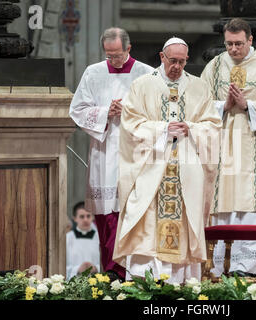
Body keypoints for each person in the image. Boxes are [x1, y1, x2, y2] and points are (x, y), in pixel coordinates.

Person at [113, 37, 222, 283]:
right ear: (162, 57)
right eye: (173, 61)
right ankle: (146, 283)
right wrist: (163, 130)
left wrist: (191, 128)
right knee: (146, 222)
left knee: (184, 222)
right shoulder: (142, 85)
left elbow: (214, 126)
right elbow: (130, 126)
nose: (177, 66)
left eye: (182, 62)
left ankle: (181, 283)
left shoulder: (199, 87)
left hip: (186, 169)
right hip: (151, 169)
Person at [201, 18, 256, 277]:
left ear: (250, 41)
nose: (233, 49)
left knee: (253, 203)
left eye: (239, 43)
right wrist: (224, 106)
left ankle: (251, 269)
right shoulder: (215, 66)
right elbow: (199, 105)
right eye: (228, 44)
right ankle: (219, 268)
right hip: (223, 146)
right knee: (223, 202)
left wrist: (248, 105)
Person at [69, 27, 154, 280]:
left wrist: (126, 110)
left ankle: (138, 274)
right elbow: (78, 109)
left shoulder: (147, 74)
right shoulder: (93, 73)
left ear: (129, 49)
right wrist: (106, 112)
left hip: (137, 154)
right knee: (107, 217)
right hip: (104, 153)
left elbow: (157, 113)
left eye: (117, 55)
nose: (113, 60)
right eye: (108, 55)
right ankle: (112, 273)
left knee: (134, 214)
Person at [66, 202, 100, 280]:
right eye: (82, 216)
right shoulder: (68, 238)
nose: (85, 220)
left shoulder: (100, 238)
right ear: (75, 218)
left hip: (96, 282)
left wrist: (96, 268)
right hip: (73, 282)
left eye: (88, 216)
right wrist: (77, 269)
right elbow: (62, 265)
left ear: (93, 217)